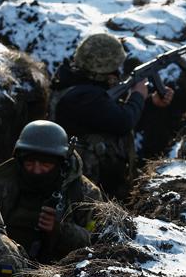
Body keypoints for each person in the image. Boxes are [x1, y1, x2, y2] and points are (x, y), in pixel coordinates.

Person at [50, 33, 174, 199]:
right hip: (87, 190)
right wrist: (138, 95)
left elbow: (111, 113)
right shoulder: (85, 97)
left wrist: (150, 101)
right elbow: (123, 121)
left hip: (92, 180)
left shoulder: (76, 85)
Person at [0, 120, 104, 264]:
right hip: (4, 262)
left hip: (61, 272)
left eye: (45, 164)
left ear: (61, 163)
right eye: (29, 163)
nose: (36, 170)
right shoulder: (2, 183)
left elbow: (100, 241)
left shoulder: (84, 193)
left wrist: (61, 230)